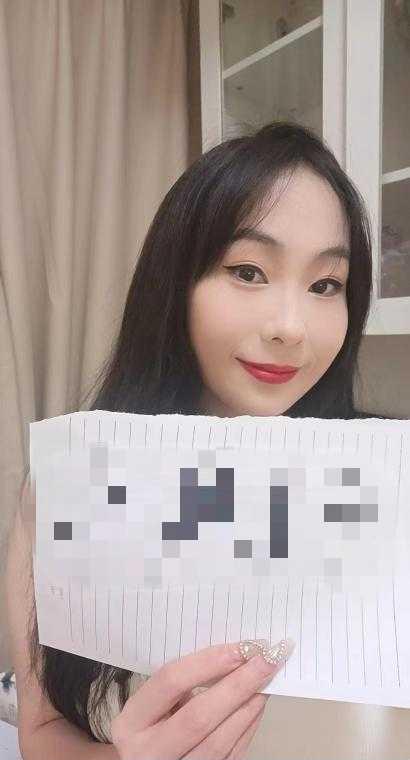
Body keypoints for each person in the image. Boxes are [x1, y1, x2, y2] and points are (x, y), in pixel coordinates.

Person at [6, 121, 400, 760]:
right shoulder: (62, 490)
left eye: (326, 284)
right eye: (248, 271)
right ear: (174, 286)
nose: (291, 327)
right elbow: (43, 732)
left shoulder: (389, 495)